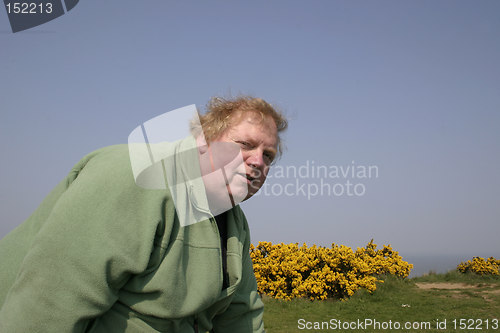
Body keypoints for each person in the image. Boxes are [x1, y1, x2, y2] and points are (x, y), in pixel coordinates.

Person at [0, 95, 288, 333]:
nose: (257, 162)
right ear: (204, 142)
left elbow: (241, 319)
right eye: (245, 145)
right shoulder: (134, 176)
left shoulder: (234, 225)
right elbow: (49, 303)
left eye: (268, 156)